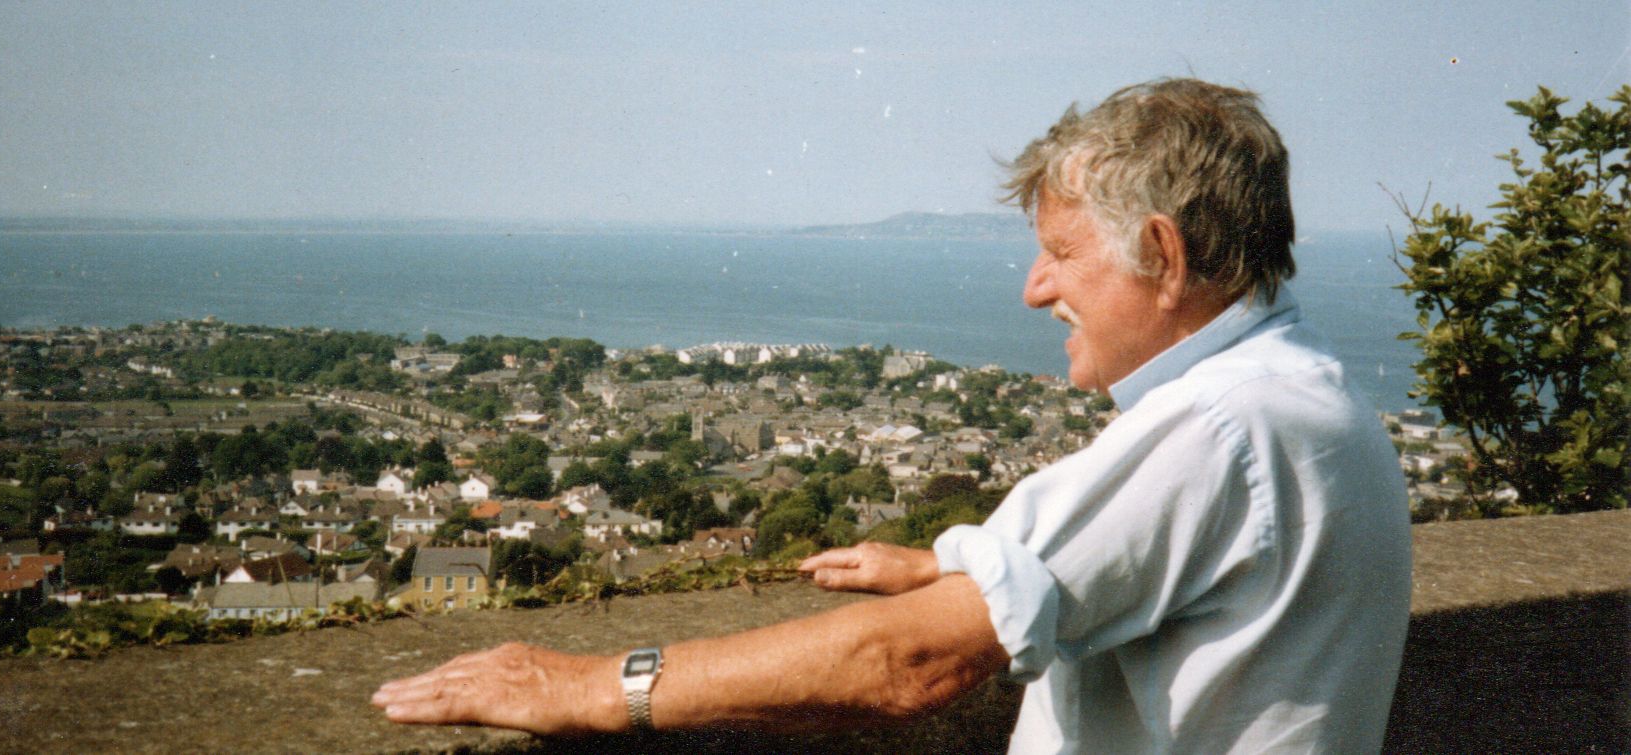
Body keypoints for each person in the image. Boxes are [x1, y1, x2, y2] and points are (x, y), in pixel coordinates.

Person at [371, 78, 1412, 752]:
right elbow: (1148, 566)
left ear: (1164, 253)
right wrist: (956, 560)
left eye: (1060, 252)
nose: (1035, 289)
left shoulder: (1220, 427)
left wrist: (590, 685)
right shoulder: (1301, 391)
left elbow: (907, 663)